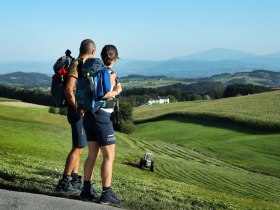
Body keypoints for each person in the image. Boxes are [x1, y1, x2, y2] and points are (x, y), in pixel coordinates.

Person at [80, 45, 123, 206]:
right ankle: (106, 193)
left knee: (92, 155)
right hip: (102, 118)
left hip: (89, 117)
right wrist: (116, 91)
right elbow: (103, 94)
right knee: (109, 156)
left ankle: (86, 189)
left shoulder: (94, 71)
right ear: (115, 58)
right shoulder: (110, 73)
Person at [56, 39, 96, 192]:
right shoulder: (77, 65)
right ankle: (64, 182)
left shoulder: (80, 64)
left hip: (78, 111)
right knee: (78, 147)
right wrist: (77, 107)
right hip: (76, 111)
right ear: (92, 51)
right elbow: (68, 89)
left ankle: (75, 179)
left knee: (80, 146)